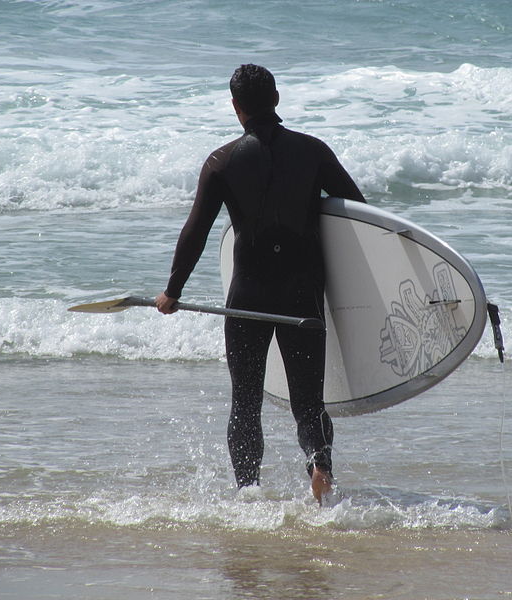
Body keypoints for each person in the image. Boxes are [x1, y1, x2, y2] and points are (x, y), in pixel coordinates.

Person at [155, 64, 365, 504]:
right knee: (308, 403)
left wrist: (173, 291)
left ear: (236, 107)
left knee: (245, 402)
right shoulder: (314, 152)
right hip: (301, 293)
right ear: (277, 98)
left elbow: (195, 231)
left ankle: (248, 495)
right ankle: (321, 473)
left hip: (247, 296)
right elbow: (359, 215)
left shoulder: (222, 161)